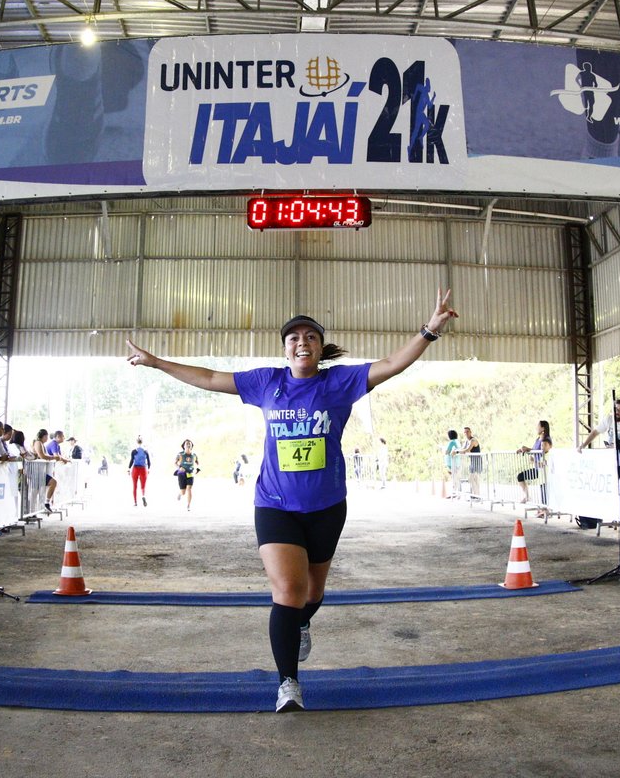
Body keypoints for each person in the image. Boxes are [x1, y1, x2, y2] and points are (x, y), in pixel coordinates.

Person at [126, 288, 458, 713]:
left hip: (327, 507)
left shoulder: (339, 382)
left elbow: (392, 364)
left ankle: (301, 623)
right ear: (286, 349)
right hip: (275, 505)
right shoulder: (267, 382)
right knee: (288, 590)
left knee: (312, 593)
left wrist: (430, 330)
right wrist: (156, 362)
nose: (303, 343)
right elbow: (209, 378)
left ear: (320, 347)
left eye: (311, 337)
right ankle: (288, 683)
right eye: (294, 338)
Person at [577, 399, 620, 529]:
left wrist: (619, 448)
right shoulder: (609, 420)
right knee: (611, 488)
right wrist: (584, 445)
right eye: (616, 409)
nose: (617, 412)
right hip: (610, 460)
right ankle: (612, 514)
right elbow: (595, 432)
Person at [517, 420, 552, 511]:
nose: (536, 428)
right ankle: (529, 498)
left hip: (543, 468)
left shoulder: (546, 441)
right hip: (537, 467)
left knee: (544, 488)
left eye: (538, 426)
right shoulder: (538, 439)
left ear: (543, 428)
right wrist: (525, 449)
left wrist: (534, 461)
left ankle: (545, 509)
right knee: (521, 476)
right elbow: (534, 450)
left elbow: (543, 454)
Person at [31, 429, 61, 512]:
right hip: (36, 471)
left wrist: (52, 458)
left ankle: (43, 505)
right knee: (35, 492)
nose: (47, 438)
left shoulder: (41, 444)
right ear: (44, 436)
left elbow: (45, 455)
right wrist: (53, 457)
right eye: (47, 436)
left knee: (37, 491)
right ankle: (36, 508)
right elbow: (42, 456)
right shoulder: (38, 443)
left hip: (41, 471)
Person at [175, 439, 199, 510]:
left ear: (191, 446)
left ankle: (188, 505)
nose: (188, 445)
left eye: (189, 444)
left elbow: (198, 463)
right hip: (182, 474)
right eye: (187, 443)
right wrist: (180, 468)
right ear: (184, 446)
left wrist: (197, 469)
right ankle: (180, 494)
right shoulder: (180, 455)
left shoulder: (194, 455)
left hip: (190, 473)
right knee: (183, 492)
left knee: (189, 488)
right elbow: (175, 463)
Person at [459, 426, 482, 497]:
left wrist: (457, 452)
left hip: (477, 461)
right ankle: (476, 494)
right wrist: (456, 450)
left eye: (467, 432)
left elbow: (467, 450)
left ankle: (476, 495)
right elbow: (462, 449)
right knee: (474, 479)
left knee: (473, 478)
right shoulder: (467, 441)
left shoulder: (473, 440)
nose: (466, 433)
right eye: (465, 432)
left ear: (470, 432)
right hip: (472, 462)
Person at [128, 436, 151, 507]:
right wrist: (148, 469)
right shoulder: (145, 451)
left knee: (135, 486)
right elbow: (149, 462)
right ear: (142, 442)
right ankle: (143, 496)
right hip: (143, 469)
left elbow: (132, 461)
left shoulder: (134, 451)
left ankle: (135, 502)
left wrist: (128, 469)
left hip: (135, 469)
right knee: (143, 486)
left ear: (136, 442)